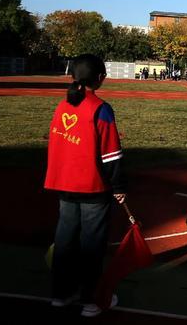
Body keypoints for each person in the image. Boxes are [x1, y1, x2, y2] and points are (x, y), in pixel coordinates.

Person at [45, 54, 126, 318]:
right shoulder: (101, 109)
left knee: (65, 240)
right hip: (92, 187)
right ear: (100, 78)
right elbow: (111, 155)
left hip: (63, 183)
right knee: (92, 244)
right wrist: (118, 186)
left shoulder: (61, 106)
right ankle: (92, 299)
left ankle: (61, 293)